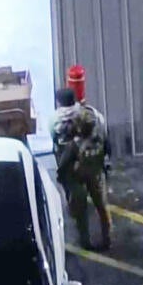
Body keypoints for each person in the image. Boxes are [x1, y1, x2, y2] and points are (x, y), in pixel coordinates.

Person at [51, 88, 112, 251]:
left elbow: (62, 158)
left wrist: (61, 175)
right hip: (95, 169)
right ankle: (107, 238)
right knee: (101, 206)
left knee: (81, 209)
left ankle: (85, 241)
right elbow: (107, 141)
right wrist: (106, 163)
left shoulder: (71, 137)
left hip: (75, 173)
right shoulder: (95, 117)